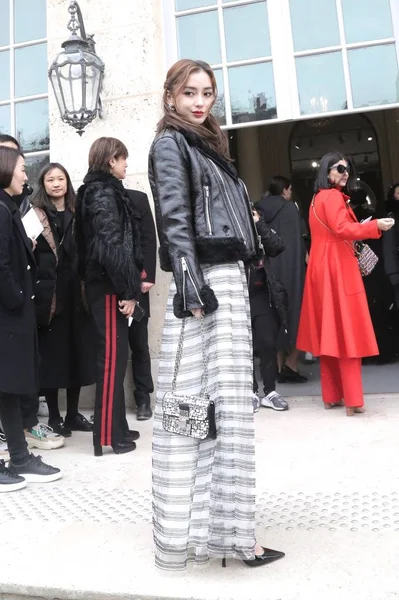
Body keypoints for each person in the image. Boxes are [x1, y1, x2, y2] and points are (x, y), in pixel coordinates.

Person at [149, 58, 285, 570]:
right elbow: (176, 221)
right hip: (206, 289)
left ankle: (230, 529)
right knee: (200, 413)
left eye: (207, 92)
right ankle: (209, 533)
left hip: (226, 283)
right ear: (171, 98)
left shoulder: (208, 145)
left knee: (226, 414)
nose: (200, 101)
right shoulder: (171, 144)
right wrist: (191, 289)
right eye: (190, 93)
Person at [297, 152, 394, 415]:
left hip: (321, 267)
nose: (345, 172)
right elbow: (341, 228)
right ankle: (353, 399)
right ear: (326, 172)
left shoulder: (317, 199)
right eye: (339, 168)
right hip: (337, 267)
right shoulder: (332, 197)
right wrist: (374, 226)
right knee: (348, 331)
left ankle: (332, 396)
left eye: (347, 168)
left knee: (330, 334)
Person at [75, 137, 143, 456]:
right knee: (111, 360)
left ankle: (117, 427)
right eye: (122, 158)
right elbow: (110, 245)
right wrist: (127, 289)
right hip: (106, 285)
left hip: (106, 283)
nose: (126, 163)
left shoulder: (103, 189)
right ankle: (105, 436)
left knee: (117, 358)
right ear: (110, 160)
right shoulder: (101, 191)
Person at [0, 146, 62, 490]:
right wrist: (17, 300)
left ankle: (20, 457)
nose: (26, 175)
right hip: (7, 316)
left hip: (12, 316)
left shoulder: (9, 208)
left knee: (8, 391)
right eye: (22, 169)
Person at [30, 163, 96, 437]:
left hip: (77, 291)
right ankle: (55, 416)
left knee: (77, 353)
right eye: (50, 179)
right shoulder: (34, 214)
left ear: (68, 182)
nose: (56, 184)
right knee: (53, 356)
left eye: (61, 179)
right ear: (42, 184)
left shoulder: (79, 210)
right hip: (50, 295)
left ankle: (72, 414)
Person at [256, 176, 307, 383]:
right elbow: (298, 243)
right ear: (285, 190)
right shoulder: (290, 209)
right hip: (290, 270)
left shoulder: (257, 209)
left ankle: (277, 367)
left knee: (274, 317)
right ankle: (291, 364)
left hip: (267, 271)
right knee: (297, 314)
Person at [249, 209, 289, 411]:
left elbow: (277, 246)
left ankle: (270, 391)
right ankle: (251, 392)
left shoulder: (259, 228)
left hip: (263, 293)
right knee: (245, 347)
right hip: (239, 294)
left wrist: (258, 222)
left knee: (267, 343)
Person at [126, 188, 156, 421]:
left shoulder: (137, 198)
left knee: (139, 342)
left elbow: (148, 237)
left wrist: (147, 278)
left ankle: (143, 398)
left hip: (137, 286)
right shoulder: (97, 197)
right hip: (108, 289)